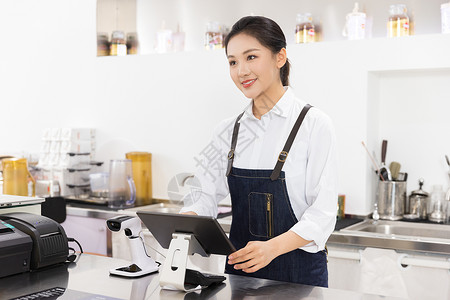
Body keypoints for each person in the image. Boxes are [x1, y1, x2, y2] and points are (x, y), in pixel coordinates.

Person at [180, 16, 338, 287]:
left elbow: (322, 214)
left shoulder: (314, 124)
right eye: (232, 62)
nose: (241, 71)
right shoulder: (226, 131)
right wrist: (185, 221)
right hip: (241, 274)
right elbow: (204, 196)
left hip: (299, 277)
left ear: (280, 57)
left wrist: (271, 248)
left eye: (251, 57)